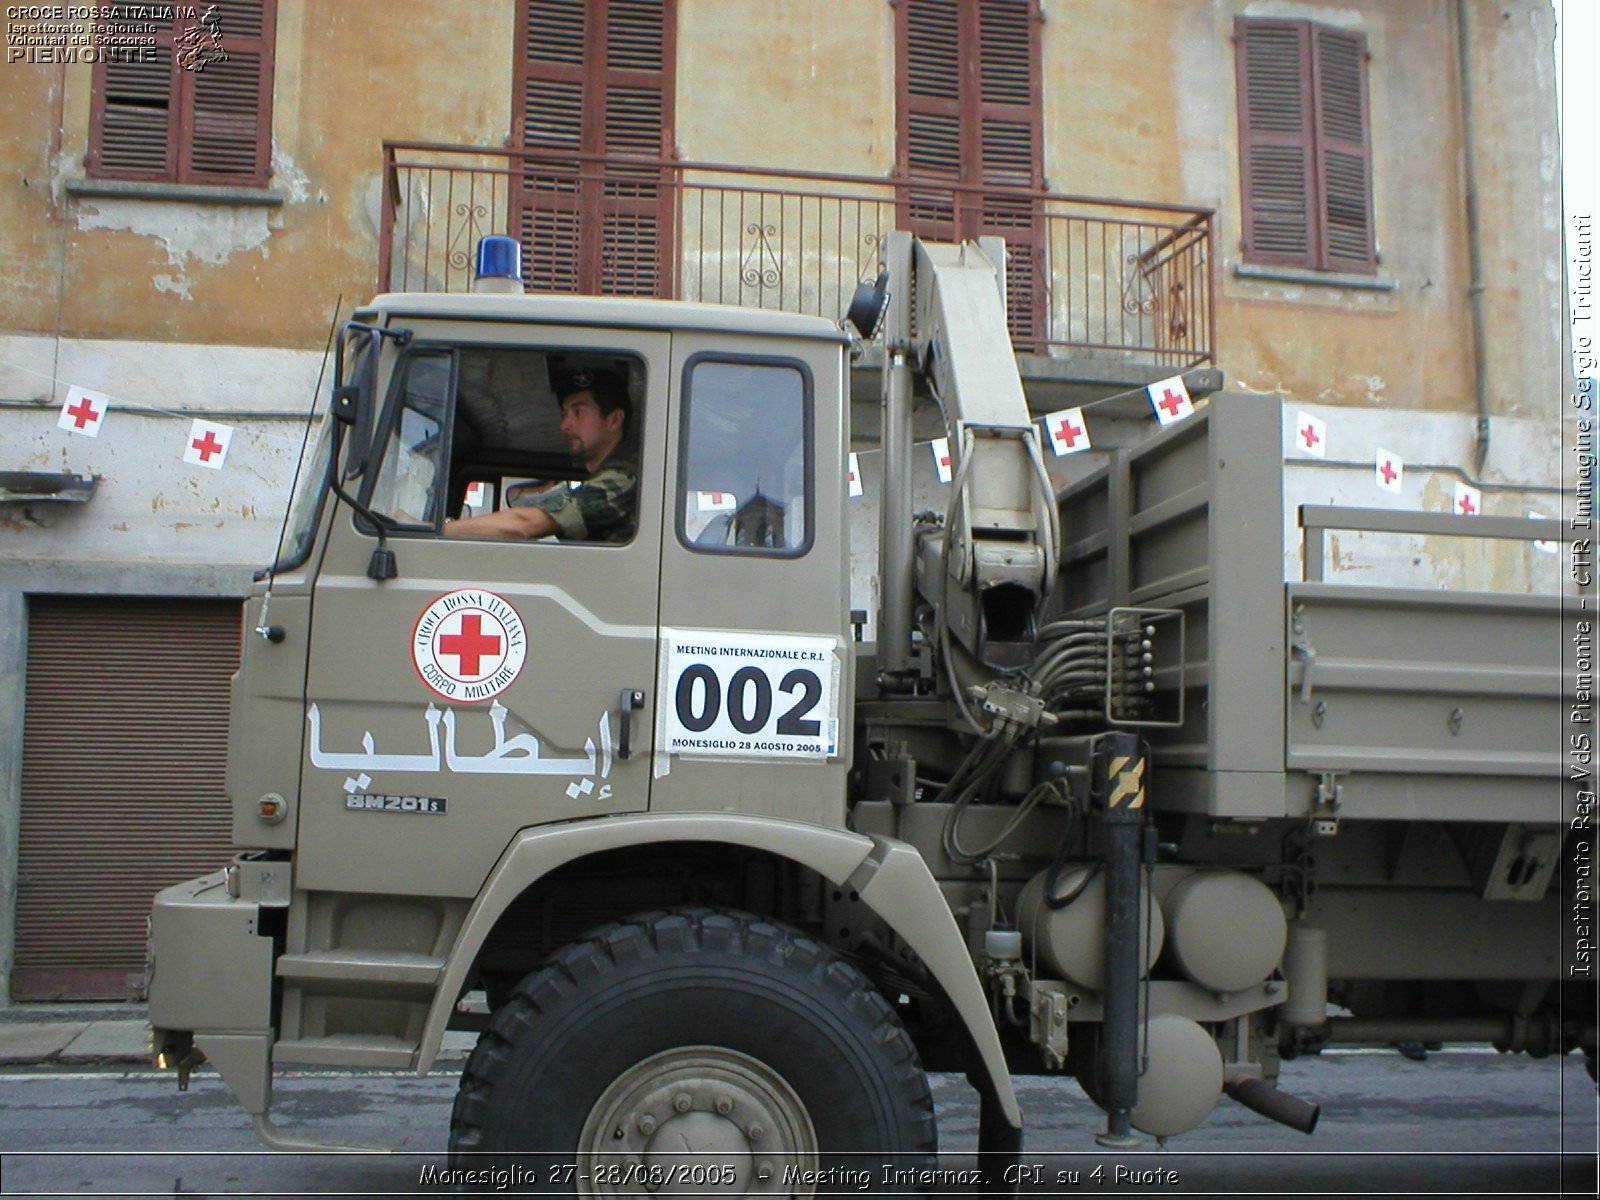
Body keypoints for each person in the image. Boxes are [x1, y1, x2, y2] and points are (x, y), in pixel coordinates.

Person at [443, 370, 636, 542]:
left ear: (614, 419)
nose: (564, 425)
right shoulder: (609, 477)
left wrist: (436, 530)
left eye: (578, 412)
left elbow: (523, 525)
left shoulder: (624, 479)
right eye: (564, 414)